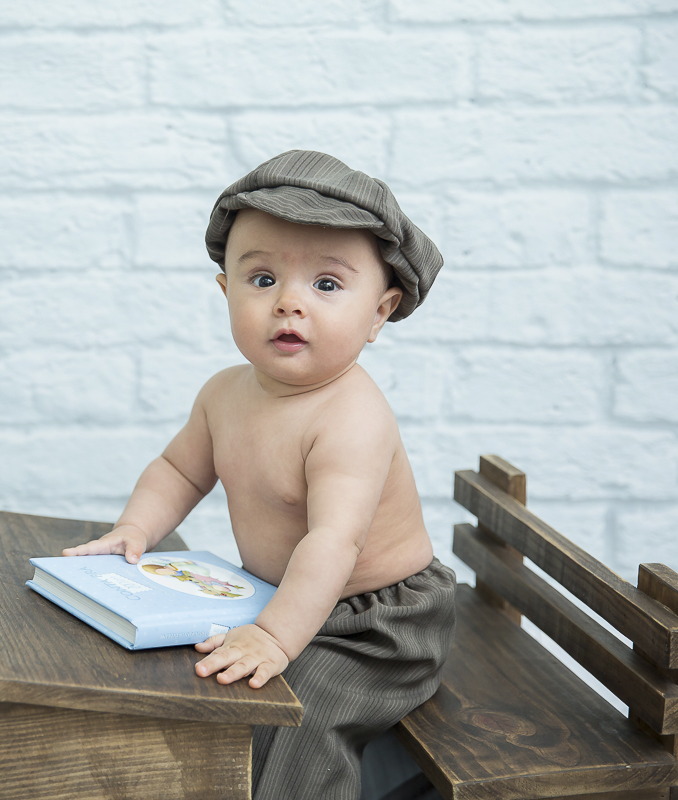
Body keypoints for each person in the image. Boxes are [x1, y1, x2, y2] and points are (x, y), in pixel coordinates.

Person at [62, 150, 456, 799]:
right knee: (183, 671)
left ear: (379, 313)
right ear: (226, 292)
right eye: (264, 279)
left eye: (326, 285)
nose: (289, 303)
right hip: (279, 595)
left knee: (302, 711)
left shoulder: (351, 418)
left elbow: (334, 542)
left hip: (378, 622)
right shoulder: (223, 394)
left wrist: (273, 636)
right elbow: (177, 471)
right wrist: (135, 530)